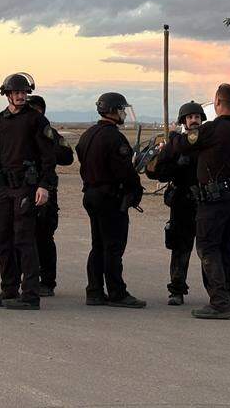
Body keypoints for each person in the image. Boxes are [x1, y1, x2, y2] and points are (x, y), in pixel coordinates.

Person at [0, 74, 57, 310]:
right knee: (3, 239)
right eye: (16, 93)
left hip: (28, 187)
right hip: (4, 188)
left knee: (25, 241)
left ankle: (30, 295)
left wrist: (44, 186)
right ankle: (9, 289)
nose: (21, 96)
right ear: (7, 94)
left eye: (24, 92)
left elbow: (49, 157)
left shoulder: (36, 120)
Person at [178, 83, 230, 320]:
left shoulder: (211, 129)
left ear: (217, 102)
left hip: (215, 198)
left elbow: (185, 143)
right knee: (229, 247)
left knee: (208, 246)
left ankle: (219, 302)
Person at [76, 92, 146, 308]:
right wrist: (136, 190)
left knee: (97, 245)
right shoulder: (114, 137)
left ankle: (94, 291)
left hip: (91, 195)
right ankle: (116, 292)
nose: (124, 113)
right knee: (113, 246)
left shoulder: (87, 134)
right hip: (110, 198)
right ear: (114, 111)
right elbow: (124, 171)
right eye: (122, 109)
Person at [145, 100, 204, 305]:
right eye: (190, 117)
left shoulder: (207, 140)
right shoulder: (176, 143)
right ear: (184, 121)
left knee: (208, 249)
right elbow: (155, 172)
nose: (193, 120)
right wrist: (174, 165)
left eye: (196, 117)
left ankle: (217, 292)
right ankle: (177, 290)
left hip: (206, 202)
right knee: (180, 248)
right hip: (182, 202)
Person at [26, 94, 75, 296]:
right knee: (22, 237)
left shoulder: (51, 134)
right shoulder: (18, 131)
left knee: (44, 237)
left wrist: (46, 150)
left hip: (46, 191)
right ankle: (27, 279)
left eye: (37, 110)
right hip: (23, 189)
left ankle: (47, 281)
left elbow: (67, 156)